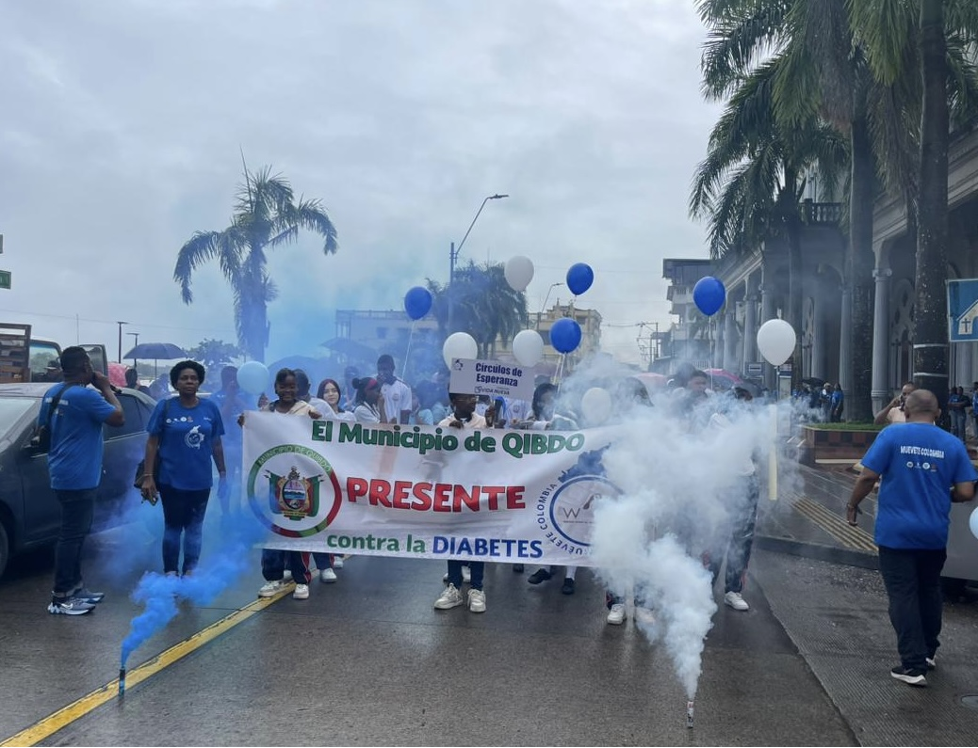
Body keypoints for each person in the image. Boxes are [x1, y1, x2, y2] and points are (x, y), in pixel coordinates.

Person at [846, 389, 976, 687]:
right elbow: (967, 492)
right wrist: (943, 495)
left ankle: (912, 665)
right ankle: (928, 653)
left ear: (905, 410)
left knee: (903, 595)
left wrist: (853, 504)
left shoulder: (892, 438)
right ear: (939, 413)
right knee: (929, 592)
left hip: (896, 534)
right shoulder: (952, 444)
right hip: (933, 533)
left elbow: (867, 477)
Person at [39, 347, 125, 615]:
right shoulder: (84, 395)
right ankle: (62, 595)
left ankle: (76, 587)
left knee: (75, 533)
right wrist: (107, 388)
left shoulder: (53, 393)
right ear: (86, 366)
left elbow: (43, 429)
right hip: (78, 476)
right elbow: (118, 418)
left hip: (62, 471)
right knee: (71, 535)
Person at [141, 361, 228, 578]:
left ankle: (190, 570)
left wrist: (223, 474)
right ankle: (170, 571)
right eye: (184, 378)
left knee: (195, 529)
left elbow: (216, 443)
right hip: (170, 480)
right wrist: (148, 476)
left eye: (193, 378)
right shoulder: (165, 407)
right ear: (175, 383)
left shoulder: (210, 408)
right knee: (172, 527)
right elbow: (152, 442)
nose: (189, 382)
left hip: (201, 480)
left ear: (199, 382)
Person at [245, 368, 322, 600]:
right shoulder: (265, 411)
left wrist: (319, 423)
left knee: (297, 529)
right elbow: (254, 434)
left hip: (300, 479)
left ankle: (301, 579)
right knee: (271, 529)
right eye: (283, 386)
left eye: (292, 386)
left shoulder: (307, 410)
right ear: (275, 388)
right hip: (271, 479)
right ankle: (273, 578)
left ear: (297, 388)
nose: (288, 390)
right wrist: (246, 423)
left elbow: (325, 437)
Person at [432, 392, 492, 613]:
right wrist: (450, 435)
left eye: (474, 397)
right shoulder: (444, 424)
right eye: (466, 398)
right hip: (453, 489)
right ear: (454, 401)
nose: (473, 401)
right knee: (453, 537)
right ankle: (454, 587)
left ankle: (477, 589)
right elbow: (435, 455)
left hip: (478, 489)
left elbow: (495, 454)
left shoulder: (484, 422)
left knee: (477, 538)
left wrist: (493, 427)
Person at [703, 386, 760, 611]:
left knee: (742, 539)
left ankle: (733, 590)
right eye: (745, 403)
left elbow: (755, 451)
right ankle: (704, 588)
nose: (748, 408)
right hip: (723, 483)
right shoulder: (717, 420)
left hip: (748, 481)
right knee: (718, 536)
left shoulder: (750, 424)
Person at [310, 377, 355, 581]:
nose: (330, 394)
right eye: (326, 391)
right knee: (322, 512)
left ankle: (337, 551)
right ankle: (325, 556)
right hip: (322, 470)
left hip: (344, 469)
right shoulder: (314, 414)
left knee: (341, 513)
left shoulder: (350, 416)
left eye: (334, 390)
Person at [209, 366, 251, 516]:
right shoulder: (215, 398)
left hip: (245, 445)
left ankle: (242, 511)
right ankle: (225, 513)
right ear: (223, 379)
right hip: (225, 446)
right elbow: (220, 419)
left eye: (235, 378)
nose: (233, 381)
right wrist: (229, 398)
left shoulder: (246, 394)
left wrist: (236, 398)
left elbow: (252, 415)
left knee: (246, 480)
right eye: (229, 378)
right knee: (227, 480)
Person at [377, 353, 412, 424]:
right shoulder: (373, 384)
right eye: (379, 369)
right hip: (375, 428)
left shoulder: (404, 387)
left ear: (392, 368)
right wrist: (378, 386)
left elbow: (405, 414)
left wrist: (400, 432)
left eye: (385, 369)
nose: (381, 373)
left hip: (393, 431)